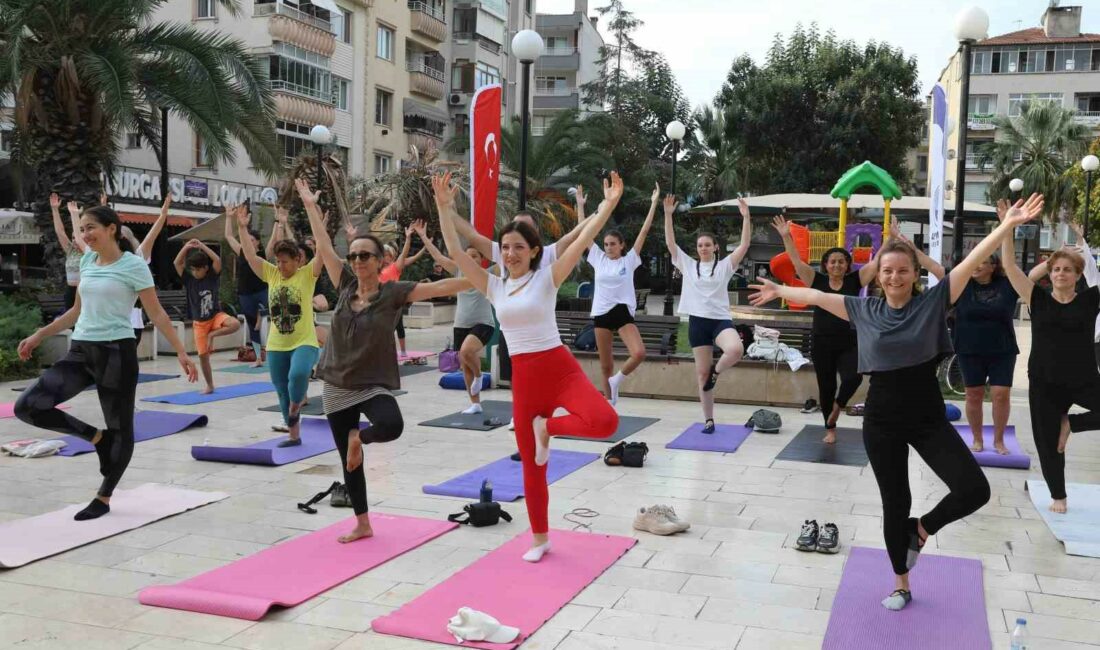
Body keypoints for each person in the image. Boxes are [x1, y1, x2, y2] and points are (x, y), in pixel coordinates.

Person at [748, 194, 1043, 611]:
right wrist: (779, 287)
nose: (894, 276)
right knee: (895, 501)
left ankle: (919, 530)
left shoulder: (933, 303)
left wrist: (1006, 225)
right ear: (878, 275)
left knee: (974, 488)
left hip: (927, 416)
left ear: (914, 273)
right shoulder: (862, 309)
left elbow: (971, 259)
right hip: (883, 418)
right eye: (887, 270)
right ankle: (901, 582)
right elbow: (815, 298)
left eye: (902, 270)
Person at [435, 170, 624, 562]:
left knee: (605, 421)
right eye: (504, 247)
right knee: (532, 467)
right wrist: (443, 208)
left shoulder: (548, 277)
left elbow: (584, 239)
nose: (510, 253)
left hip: (560, 369)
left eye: (518, 247)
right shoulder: (493, 284)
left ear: (534, 250)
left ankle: (547, 428)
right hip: (526, 380)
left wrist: (607, 205)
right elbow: (456, 252)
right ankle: (540, 539)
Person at [296, 179, 470, 542]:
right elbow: (325, 247)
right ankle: (362, 523)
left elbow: (441, 288)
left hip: (372, 383)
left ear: (381, 262)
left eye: (365, 255)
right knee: (349, 461)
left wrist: (489, 279)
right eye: (354, 255)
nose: (357, 261)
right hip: (337, 384)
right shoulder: (344, 286)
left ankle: (360, 436)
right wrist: (312, 207)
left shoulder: (393, 293)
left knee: (391, 425)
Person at [15, 205, 198, 520]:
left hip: (116, 352)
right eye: (82, 229)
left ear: (112, 228)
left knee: (122, 428)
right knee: (28, 406)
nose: (84, 235)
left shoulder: (134, 266)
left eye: (90, 228)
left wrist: (182, 351)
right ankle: (98, 438)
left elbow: (156, 313)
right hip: (81, 351)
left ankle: (104, 496)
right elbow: (75, 312)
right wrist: (38, 335)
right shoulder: (87, 260)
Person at [1003, 212, 1100, 514]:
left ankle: (1072, 423)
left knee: (1063, 428)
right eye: (1056, 269)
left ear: (1076, 275)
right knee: (1048, 444)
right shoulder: (1037, 298)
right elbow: (1009, 267)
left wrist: (1081, 243)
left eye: (1067, 270)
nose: (1060, 274)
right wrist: (1007, 229)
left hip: (1083, 379)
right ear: (1049, 274)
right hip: (1044, 382)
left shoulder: (1090, 299)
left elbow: (1094, 273)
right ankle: (1059, 494)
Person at [772, 213, 885, 443]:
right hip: (822, 343)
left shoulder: (855, 280)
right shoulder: (818, 281)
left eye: (841, 261)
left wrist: (890, 239)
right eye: (832, 261)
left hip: (849, 342)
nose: (836, 264)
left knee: (853, 377)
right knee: (826, 387)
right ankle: (830, 427)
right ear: (826, 265)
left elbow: (876, 263)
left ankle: (838, 406)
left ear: (847, 265)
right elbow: (796, 262)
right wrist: (787, 237)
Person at [663, 193, 752, 434]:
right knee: (701, 373)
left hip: (720, 321)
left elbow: (744, 246)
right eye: (700, 245)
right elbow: (671, 244)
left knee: (735, 349)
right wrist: (668, 215)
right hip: (697, 323)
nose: (703, 248)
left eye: (707, 245)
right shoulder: (688, 265)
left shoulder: (724, 266)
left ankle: (717, 371)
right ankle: (709, 420)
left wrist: (746, 218)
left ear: (716, 248)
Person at [235, 205, 322, 447]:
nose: (281, 266)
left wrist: (318, 223)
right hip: (276, 344)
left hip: (304, 341)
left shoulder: (307, 275)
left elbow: (324, 251)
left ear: (298, 260)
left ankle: (296, 406)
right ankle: (293, 435)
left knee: (299, 374)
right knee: (281, 389)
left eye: (285, 262)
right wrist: (241, 228)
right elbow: (250, 256)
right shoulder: (271, 274)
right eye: (278, 261)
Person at [949, 200, 1019, 455]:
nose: (976, 264)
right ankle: (977, 439)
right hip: (969, 349)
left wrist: (1006, 228)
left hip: (1002, 350)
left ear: (993, 265)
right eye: (973, 260)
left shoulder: (1007, 284)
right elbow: (934, 268)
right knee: (973, 396)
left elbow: (1025, 272)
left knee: (1001, 395)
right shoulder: (961, 285)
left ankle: (998, 440)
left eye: (983, 260)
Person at [410, 220, 497, 414]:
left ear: (482, 259)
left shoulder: (489, 274)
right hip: (461, 323)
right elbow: (437, 256)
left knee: (467, 352)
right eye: (468, 257)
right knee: (463, 361)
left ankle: (479, 375)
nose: (471, 259)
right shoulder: (458, 271)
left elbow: (505, 262)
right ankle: (475, 403)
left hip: (483, 323)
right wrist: (424, 236)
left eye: (475, 256)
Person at [586, 182, 659, 405]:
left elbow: (644, 231)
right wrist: (581, 205)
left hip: (622, 313)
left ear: (621, 245)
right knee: (605, 365)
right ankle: (609, 402)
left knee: (639, 353)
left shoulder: (629, 260)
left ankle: (618, 380)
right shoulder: (597, 258)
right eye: (606, 244)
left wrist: (654, 203)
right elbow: (585, 233)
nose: (608, 247)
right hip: (601, 314)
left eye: (612, 244)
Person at [173, 239, 241, 394]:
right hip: (200, 323)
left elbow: (217, 260)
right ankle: (210, 385)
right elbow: (177, 263)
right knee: (203, 357)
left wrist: (202, 246)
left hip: (216, 316)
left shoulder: (211, 276)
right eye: (193, 270)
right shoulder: (189, 280)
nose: (195, 273)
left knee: (235, 324)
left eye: (198, 270)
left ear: (205, 268)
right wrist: (186, 247)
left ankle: (213, 335)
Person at [224, 202, 268, 367]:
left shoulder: (263, 254)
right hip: (245, 293)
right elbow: (229, 236)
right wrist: (229, 217)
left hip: (262, 290)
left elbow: (275, 240)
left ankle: (260, 314)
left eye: (251, 240)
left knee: (267, 308)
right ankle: (258, 358)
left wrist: (279, 224)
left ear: (257, 243)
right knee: (252, 327)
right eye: (246, 239)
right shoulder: (241, 251)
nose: (247, 242)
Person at [381, 227, 427, 358]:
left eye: (387, 255)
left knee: (398, 326)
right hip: (381, 302)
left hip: (395, 301)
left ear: (392, 256)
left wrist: (409, 238)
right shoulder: (376, 269)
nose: (385, 258)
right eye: (383, 255)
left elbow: (407, 255)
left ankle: (402, 350)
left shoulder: (395, 266)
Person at [51, 193, 85, 311]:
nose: (75, 240)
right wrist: (55, 209)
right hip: (71, 291)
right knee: (73, 327)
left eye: (77, 237)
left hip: (85, 292)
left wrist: (75, 215)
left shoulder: (89, 252)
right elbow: (60, 232)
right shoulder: (71, 251)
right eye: (73, 238)